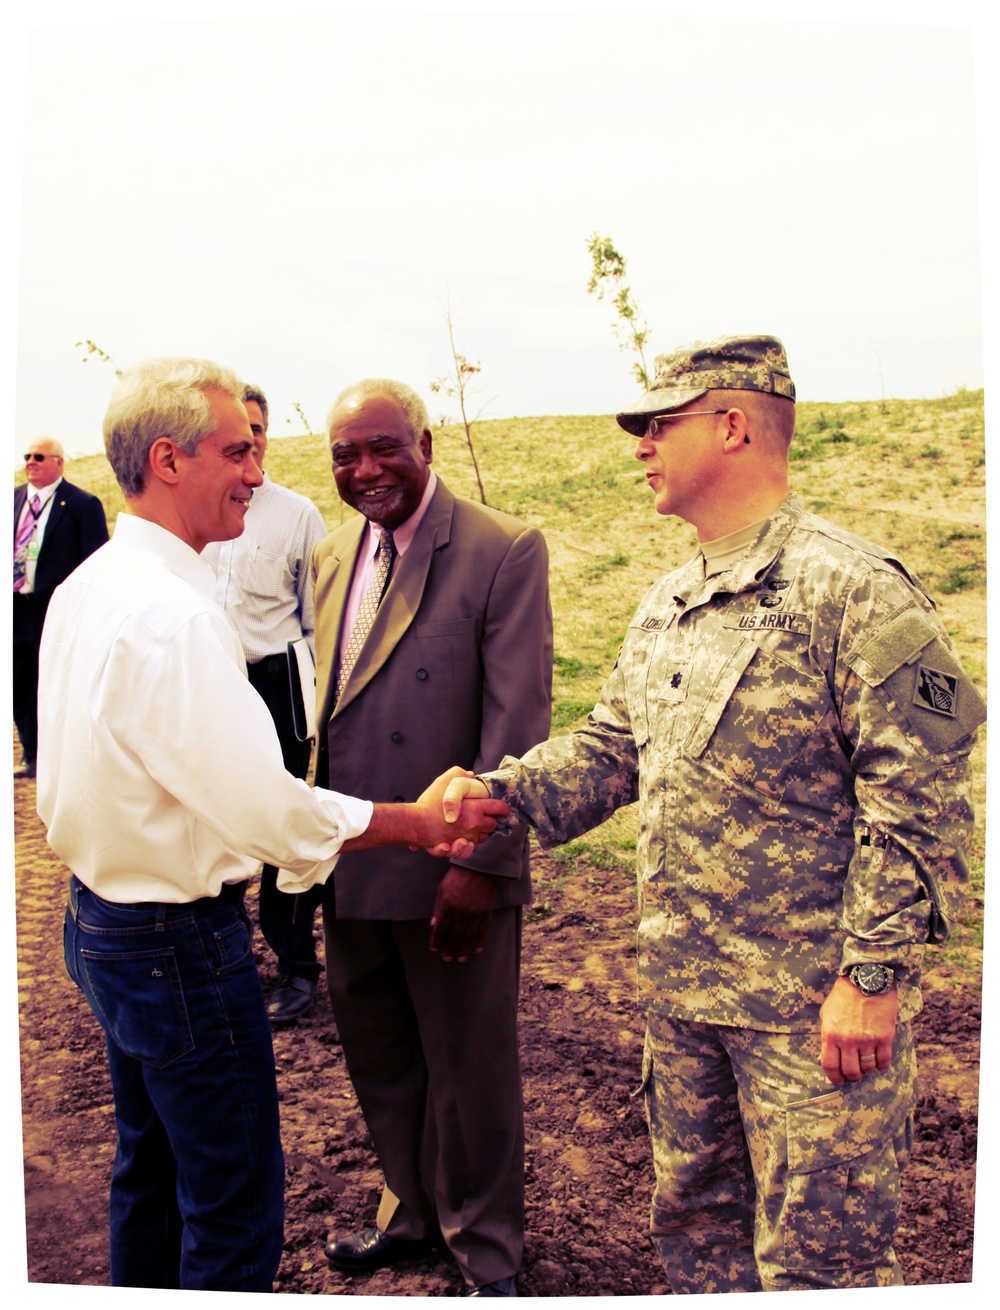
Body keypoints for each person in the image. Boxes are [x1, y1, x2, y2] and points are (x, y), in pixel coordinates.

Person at [443, 335, 985, 1293]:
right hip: (686, 1004)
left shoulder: (853, 589)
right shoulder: (669, 603)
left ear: (732, 425)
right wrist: (499, 794)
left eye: (659, 424)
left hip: (812, 1020)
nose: (639, 445)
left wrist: (870, 972)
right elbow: (613, 749)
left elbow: (923, 791)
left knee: (824, 1269)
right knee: (700, 1249)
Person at [36, 356, 508, 1293]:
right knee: (232, 1200)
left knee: (152, 1172)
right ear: (169, 461)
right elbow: (264, 808)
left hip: (101, 921)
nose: (259, 473)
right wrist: (414, 824)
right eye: (239, 452)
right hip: (174, 944)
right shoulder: (171, 615)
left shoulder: (92, 584)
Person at [313, 379, 552, 1297]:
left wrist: (483, 869)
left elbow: (516, 731)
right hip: (355, 856)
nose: (366, 470)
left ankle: (487, 1248)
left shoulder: (500, 550)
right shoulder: (333, 559)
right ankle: (409, 1212)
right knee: (380, 1054)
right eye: (345, 455)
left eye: (384, 448)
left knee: (471, 1070)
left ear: (426, 441)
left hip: (451, 868)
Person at [202, 382, 328, 1024]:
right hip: (207, 682)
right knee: (211, 820)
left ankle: (297, 966)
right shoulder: (194, 511)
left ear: (266, 437)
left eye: (254, 433)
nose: (244, 448)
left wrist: (315, 705)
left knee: (280, 822)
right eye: (231, 437)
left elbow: (317, 617)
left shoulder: (298, 514)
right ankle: (223, 965)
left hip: (276, 680)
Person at [13, 436, 108, 778]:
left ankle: (62, 757)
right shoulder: (12, 501)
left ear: (58, 463)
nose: (30, 461)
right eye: (27, 456)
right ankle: (31, 755)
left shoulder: (82, 504)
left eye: (38, 456)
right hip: (15, 609)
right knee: (18, 684)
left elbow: (96, 564)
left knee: (56, 684)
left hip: (56, 612)